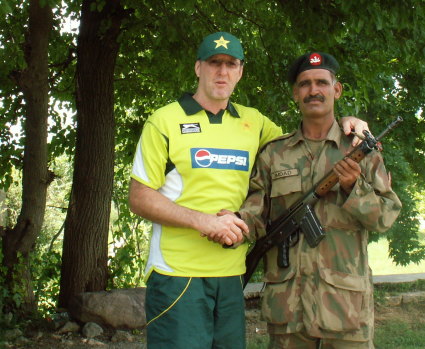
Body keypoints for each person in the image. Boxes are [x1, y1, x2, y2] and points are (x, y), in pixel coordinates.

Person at [128, 32, 369, 349]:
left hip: (232, 276)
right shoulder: (164, 121)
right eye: (215, 63)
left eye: (231, 64)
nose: (222, 72)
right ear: (199, 68)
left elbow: (305, 146)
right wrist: (205, 222)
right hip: (178, 275)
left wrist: (348, 122)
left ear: (240, 71)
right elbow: (139, 198)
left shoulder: (253, 122)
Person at [237, 52, 402, 348]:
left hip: (346, 312)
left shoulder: (361, 149)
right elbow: (254, 216)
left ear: (336, 90)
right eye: (305, 84)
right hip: (287, 313)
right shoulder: (274, 154)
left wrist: (354, 187)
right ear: (295, 94)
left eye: (322, 83)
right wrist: (228, 224)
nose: (314, 90)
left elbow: (386, 217)